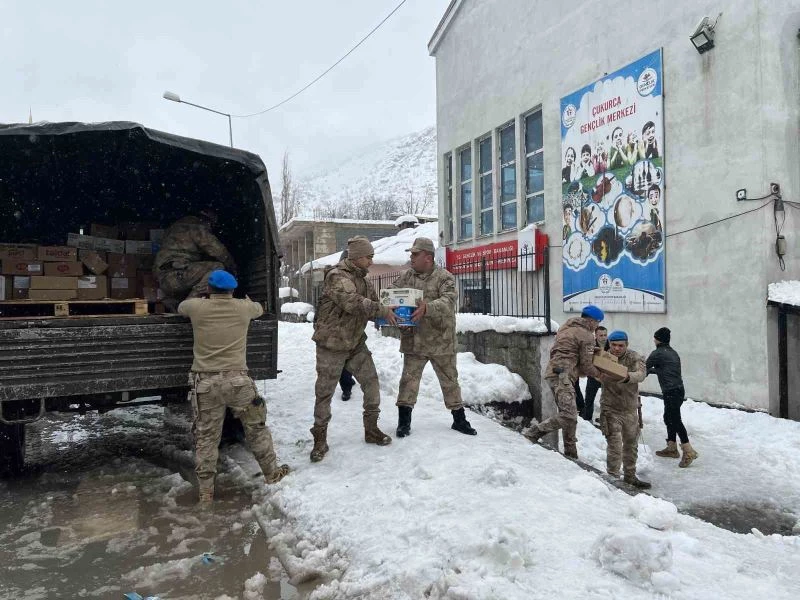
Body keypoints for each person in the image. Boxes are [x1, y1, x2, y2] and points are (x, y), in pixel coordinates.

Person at [178, 270, 289, 505]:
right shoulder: (243, 308)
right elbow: (258, 308)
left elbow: (181, 307)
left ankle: (206, 491)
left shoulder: (196, 308)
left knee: (207, 437)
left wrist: (201, 294)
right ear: (232, 289)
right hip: (239, 383)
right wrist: (245, 301)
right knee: (256, 429)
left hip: (206, 384)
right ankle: (271, 474)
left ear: (209, 289)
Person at [310, 236, 398, 462]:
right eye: (369, 257)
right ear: (357, 257)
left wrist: (397, 310)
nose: (371, 261)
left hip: (355, 342)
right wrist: (381, 309)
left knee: (372, 384)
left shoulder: (364, 280)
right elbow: (352, 303)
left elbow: (375, 305)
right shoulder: (337, 276)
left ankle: (371, 430)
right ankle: (320, 439)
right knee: (324, 393)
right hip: (332, 344)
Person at [391, 237, 477, 438]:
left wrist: (427, 307)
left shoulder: (444, 277)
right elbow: (391, 295)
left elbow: (448, 301)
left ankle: (459, 420)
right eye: (411, 254)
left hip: (441, 342)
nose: (411, 258)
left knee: (450, 381)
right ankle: (404, 422)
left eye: (415, 254)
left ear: (428, 257)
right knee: (408, 382)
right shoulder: (406, 277)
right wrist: (389, 305)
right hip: (414, 342)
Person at [525, 305, 607, 459]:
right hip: (563, 377)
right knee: (569, 415)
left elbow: (567, 355)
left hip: (554, 373)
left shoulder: (565, 328)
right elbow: (586, 365)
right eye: (597, 323)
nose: (597, 327)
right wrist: (599, 375)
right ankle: (534, 432)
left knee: (570, 416)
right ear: (591, 321)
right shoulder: (587, 335)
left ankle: (571, 453)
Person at [155, 209, 237, 311]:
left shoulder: (175, 227)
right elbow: (218, 251)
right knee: (218, 267)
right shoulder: (196, 226)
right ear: (208, 220)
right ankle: (190, 304)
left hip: (164, 278)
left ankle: (178, 306)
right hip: (177, 275)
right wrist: (232, 268)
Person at [598, 330, 651, 488]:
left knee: (631, 445)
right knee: (614, 445)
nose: (616, 348)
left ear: (626, 345)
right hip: (610, 408)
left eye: (621, 345)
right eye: (613, 345)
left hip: (629, 409)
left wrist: (626, 376)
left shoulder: (634, 357)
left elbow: (641, 374)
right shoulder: (604, 358)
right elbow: (593, 372)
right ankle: (613, 478)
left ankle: (630, 476)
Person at [646, 327, 698, 467]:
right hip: (678, 390)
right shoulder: (672, 352)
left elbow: (643, 368)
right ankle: (671, 447)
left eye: (655, 337)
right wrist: (653, 370)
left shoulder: (657, 353)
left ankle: (688, 451)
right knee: (668, 417)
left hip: (671, 391)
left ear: (657, 339)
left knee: (674, 420)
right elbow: (665, 369)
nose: (653, 340)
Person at [579, 325, 607, 422]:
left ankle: (605, 419)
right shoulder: (591, 345)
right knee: (589, 399)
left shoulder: (610, 345)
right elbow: (586, 361)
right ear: (596, 335)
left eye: (605, 335)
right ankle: (588, 419)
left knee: (607, 400)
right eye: (601, 335)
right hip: (593, 376)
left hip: (606, 376)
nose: (603, 337)